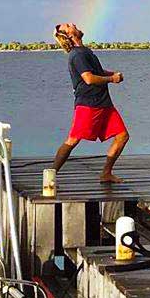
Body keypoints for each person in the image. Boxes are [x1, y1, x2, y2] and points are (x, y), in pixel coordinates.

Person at [51, 23, 129, 182]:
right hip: (88, 104)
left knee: (122, 136)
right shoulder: (77, 55)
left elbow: (96, 73)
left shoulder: (84, 51)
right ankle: (50, 175)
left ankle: (106, 173)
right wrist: (111, 79)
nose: (74, 24)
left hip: (103, 102)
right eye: (69, 25)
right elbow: (88, 78)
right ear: (69, 35)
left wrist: (111, 74)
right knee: (72, 140)